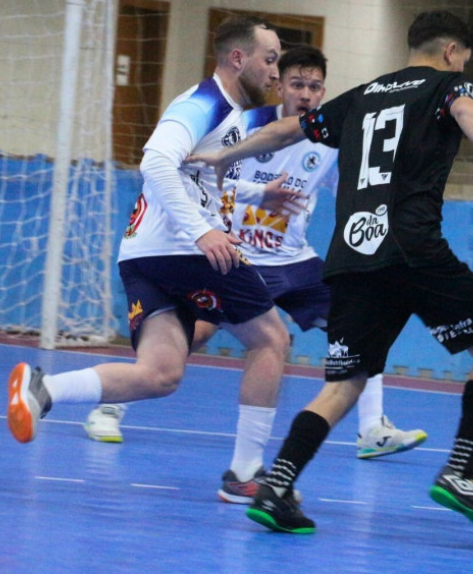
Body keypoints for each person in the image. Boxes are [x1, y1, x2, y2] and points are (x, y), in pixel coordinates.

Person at [189, 10, 473, 534]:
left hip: (352, 258)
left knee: (344, 383)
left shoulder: (364, 94)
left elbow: (289, 129)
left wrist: (227, 154)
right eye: (462, 60)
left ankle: (278, 485)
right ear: (451, 52)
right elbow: (468, 110)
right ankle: (462, 471)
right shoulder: (450, 84)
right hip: (413, 247)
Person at [7, 15, 301, 505]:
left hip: (144, 254)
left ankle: (44, 391)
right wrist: (204, 231)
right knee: (271, 338)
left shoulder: (227, 114)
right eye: (270, 60)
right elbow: (156, 162)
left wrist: (256, 193)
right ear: (237, 58)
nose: (275, 72)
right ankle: (246, 475)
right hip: (182, 250)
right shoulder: (201, 102)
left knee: (160, 374)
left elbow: (195, 175)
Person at [83, 46, 428, 461]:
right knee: (194, 334)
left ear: (323, 93)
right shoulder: (243, 126)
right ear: (279, 85)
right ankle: (110, 406)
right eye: (297, 84)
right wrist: (253, 199)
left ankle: (372, 428)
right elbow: (202, 178)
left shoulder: (330, 141)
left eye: (315, 87)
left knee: (359, 322)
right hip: (236, 254)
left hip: (294, 261)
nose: (305, 94)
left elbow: (350, 193)